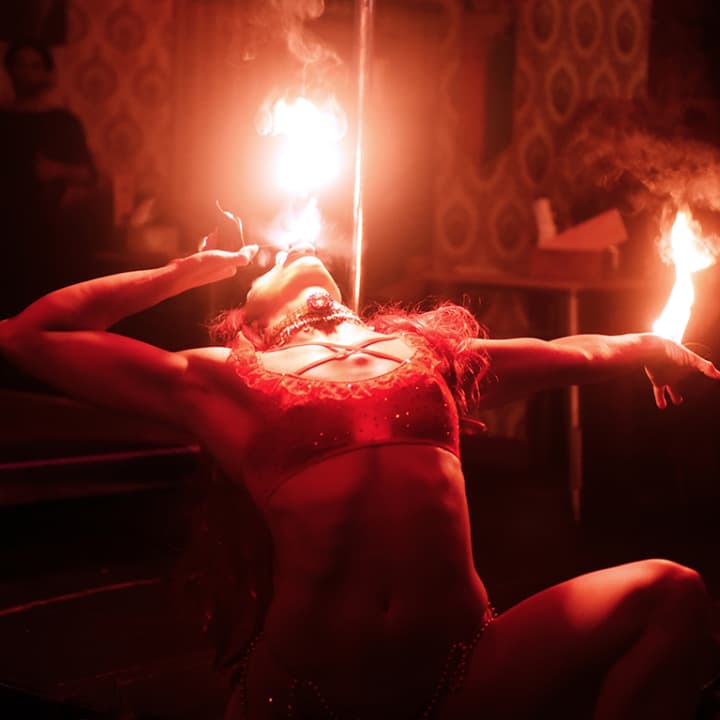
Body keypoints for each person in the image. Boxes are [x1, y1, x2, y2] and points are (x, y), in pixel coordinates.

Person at [1, 233, 719, 720]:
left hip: (461, 673)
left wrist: (651, 346)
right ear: (247, 319)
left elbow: (578, 352)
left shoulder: (427, 353)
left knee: (673, 593)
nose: (297, 249)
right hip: (307, 691)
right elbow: (28, 335)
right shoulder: (225, 378)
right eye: (273, 261)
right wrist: (183, 272)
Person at [0, 41, 100, 316]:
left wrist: (56, 170)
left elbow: (89, 175)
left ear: (47, 73)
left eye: (34, 66)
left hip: (47, 238)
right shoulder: (3, 120)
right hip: (6, 233)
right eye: (20, 65)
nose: (26, 73)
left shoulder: (62, 122)